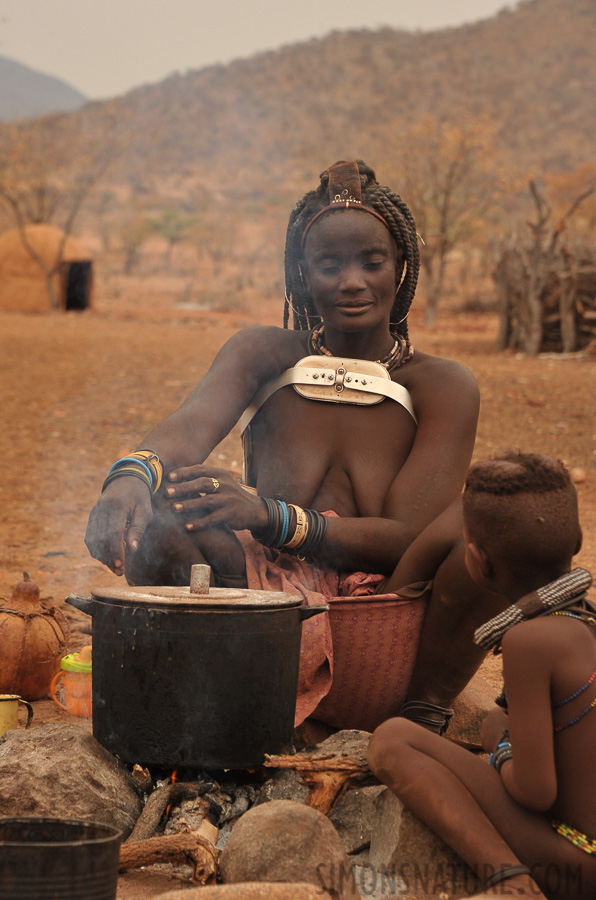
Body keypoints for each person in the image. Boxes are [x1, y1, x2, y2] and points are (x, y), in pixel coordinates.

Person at [85, 159, 506, 731]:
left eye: (372, 262)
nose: (351, 281)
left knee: (485, 518)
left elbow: (409, 537)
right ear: (301, 274)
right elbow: (188, 428)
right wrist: (129, 477)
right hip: (262, 596)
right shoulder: (264, 353)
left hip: (386, 609)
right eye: (328, 265)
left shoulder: (440, 385)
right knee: (164, 511)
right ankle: (221, 699)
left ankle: (421, 709)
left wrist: (272, 516)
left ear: (402, 267)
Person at [367, 453, 596, 899]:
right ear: (579, 538)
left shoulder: (528, 642)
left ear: (477, 561)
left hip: (580, 863)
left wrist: (502, 746)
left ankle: (511, 883)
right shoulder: (584, 621)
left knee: (395, 738)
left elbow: (535, 792)